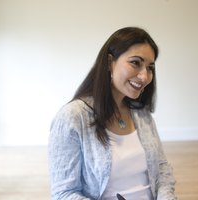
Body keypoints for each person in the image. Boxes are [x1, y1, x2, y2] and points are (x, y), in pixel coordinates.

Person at [48, 27, 177, 200]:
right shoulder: (72, 117)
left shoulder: (142, 114)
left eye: (150, 67)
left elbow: (162, 169)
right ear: (110, 62)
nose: (144, 76)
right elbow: (63, 194)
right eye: (135, 62)